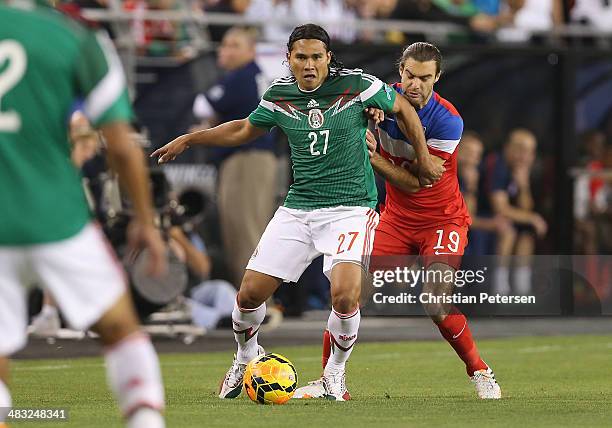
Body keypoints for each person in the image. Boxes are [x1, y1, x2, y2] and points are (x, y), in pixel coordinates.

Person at [152, 23, 444, 401]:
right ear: (289, 59)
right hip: (298, 209)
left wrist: (421, 158)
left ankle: (335, 374)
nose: (309, 64)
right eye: (301, 57)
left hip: (351, 208)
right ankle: (245, 357)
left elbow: (403, 107)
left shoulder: (357, 85)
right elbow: (243, 129)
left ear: (328, 58)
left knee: (344, 296)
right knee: (247, 297)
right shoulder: (278, 95)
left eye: (317, 57)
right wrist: (190, 139)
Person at [295, 42, 501, 400]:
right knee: (349, 292)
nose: (415, 84)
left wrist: (373, 159)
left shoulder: (447, 120)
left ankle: (479, 370)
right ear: (400, 72)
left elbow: (418, 181)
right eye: (409, 75)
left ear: (437, 77)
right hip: (396, 218)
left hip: (443, 220)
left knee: (435, 301)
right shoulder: (381, 101)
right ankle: (330, 380)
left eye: (424, 77)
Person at [0, 2, 167, 427]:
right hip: (57, 216)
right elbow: (122, 144)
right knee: (122, 331)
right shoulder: (76, 35)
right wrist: (145, 221)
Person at [192, 26, 278, 288]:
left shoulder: (243, 75)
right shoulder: (252, 75)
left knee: (245, 230)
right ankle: (254, 300)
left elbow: (202, 106)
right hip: (252, 158)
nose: (226, 50)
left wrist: (207, 125)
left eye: (234, 45)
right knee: (243, 230)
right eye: (224, 44)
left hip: (247, 159)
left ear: (251, 51)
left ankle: (256, 301)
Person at [478, 128, 547, 295]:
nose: (525, 156)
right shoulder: (497, 164)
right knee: (507, 227)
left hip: (499, 214)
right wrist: (533, 218)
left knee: (526, 231)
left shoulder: (520, 169)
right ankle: (499, 285)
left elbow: (525, 208)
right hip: (479, 213)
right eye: (520, 150)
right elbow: (499, 207)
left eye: (530, 151)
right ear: (507, 148)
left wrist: (523, 186)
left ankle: (521, 285)